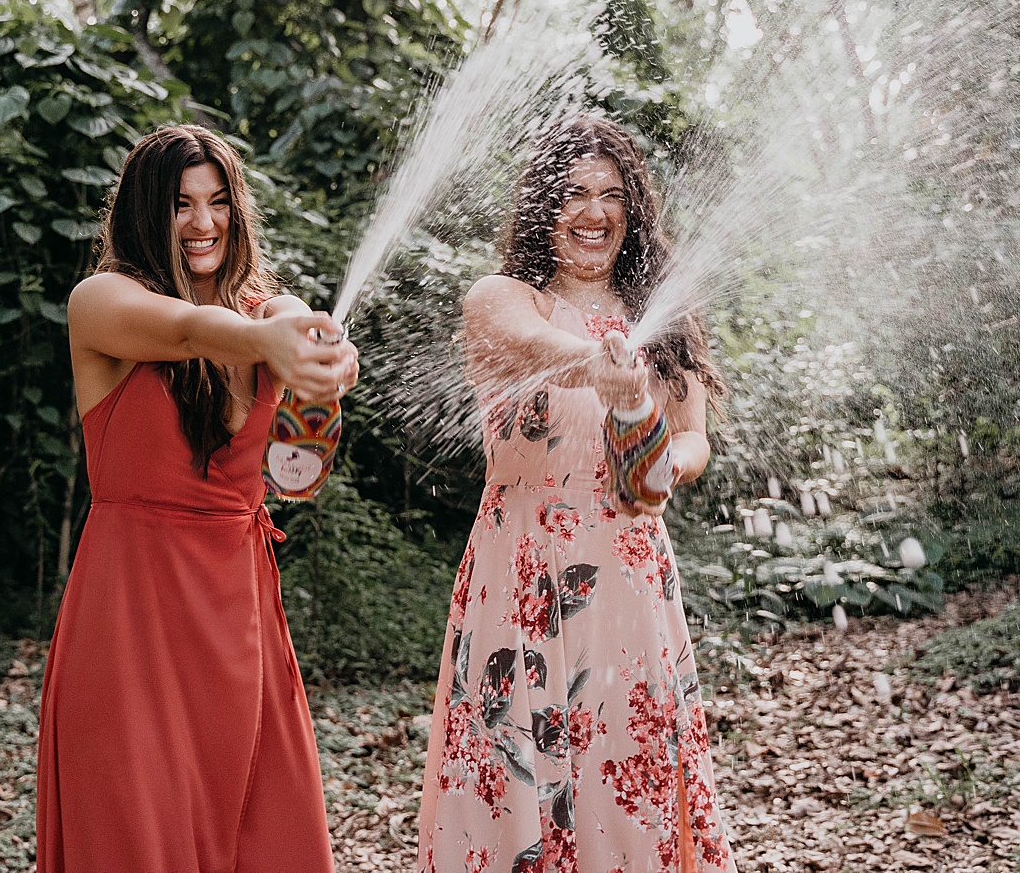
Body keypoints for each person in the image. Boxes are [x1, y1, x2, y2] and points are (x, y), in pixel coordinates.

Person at [416, 117, 737, 873]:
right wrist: (599, 364)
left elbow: (693, 436)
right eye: (575, 193)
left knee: (624, 766)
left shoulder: (662, 312)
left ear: (633, 210)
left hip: (627, 570)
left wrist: (667, 459)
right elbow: (531, 346)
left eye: (612, 194)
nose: (595, 212)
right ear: (543, 207)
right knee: (513, 772)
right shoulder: (501, 298)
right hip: (522, 567)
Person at [36, 125, 357, 872]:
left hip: (239, 620)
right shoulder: (101, 302)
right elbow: (184, 331)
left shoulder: (266, 314)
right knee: (136, 831)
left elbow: (299, 451)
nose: (203, 223)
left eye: (218, 202)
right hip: (131, 621)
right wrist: (266, 342)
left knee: (266, 836)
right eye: (181, 204)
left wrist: (317, 361)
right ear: (147, 213)